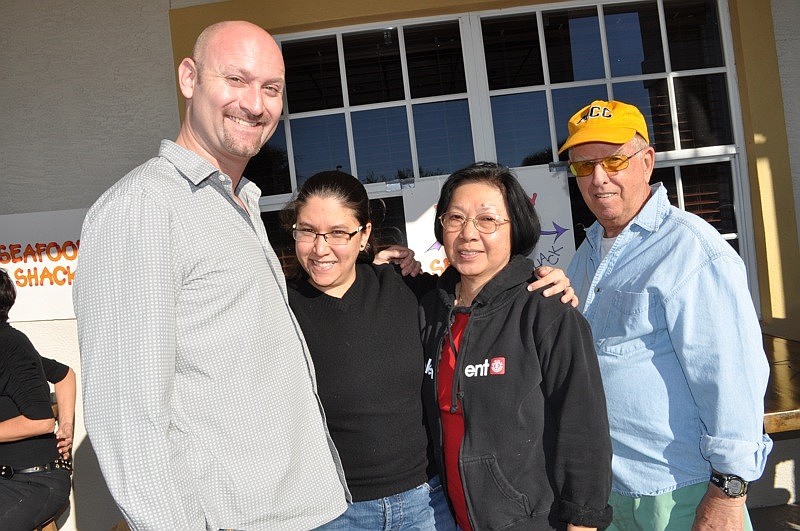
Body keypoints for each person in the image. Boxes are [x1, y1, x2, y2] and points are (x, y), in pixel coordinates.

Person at [73, 21, 349, 529]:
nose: (255, 104)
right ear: (188, 78)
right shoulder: (143, 208)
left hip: (300, 510)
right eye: (236, 79)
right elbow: (128, 414)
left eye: (271, 89)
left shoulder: (239, 202)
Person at [281, 170, 574, 529]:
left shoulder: (409, 289)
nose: (320, 247)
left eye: (338, 232)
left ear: (365, 235)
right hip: (336, 513)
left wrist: (537, 280)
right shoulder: (280, 310)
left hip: (428, 506)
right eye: (307, 231)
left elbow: (479, 289)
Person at [559, 99, 773, 530]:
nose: (598, 178)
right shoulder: (586, 255)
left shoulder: (691, 249)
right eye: (584, 166)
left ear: (647, 162)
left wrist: (728, 492)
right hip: (606, 491)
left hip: (678, 494)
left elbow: (732, 377)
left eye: (613, 160)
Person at [418, 162, 613, 531]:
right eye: (455, 218)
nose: (468, 233)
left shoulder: (547, 310)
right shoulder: (429, 310)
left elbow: (584, 429)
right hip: (451, 519)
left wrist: (584, 521)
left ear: (516, 228)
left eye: (487, 220)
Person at [0, 268, 74, 530]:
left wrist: (63, 425)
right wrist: (67, 425)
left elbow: (40, 421)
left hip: (34, 481)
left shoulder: (10, 344)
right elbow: (64, 374)